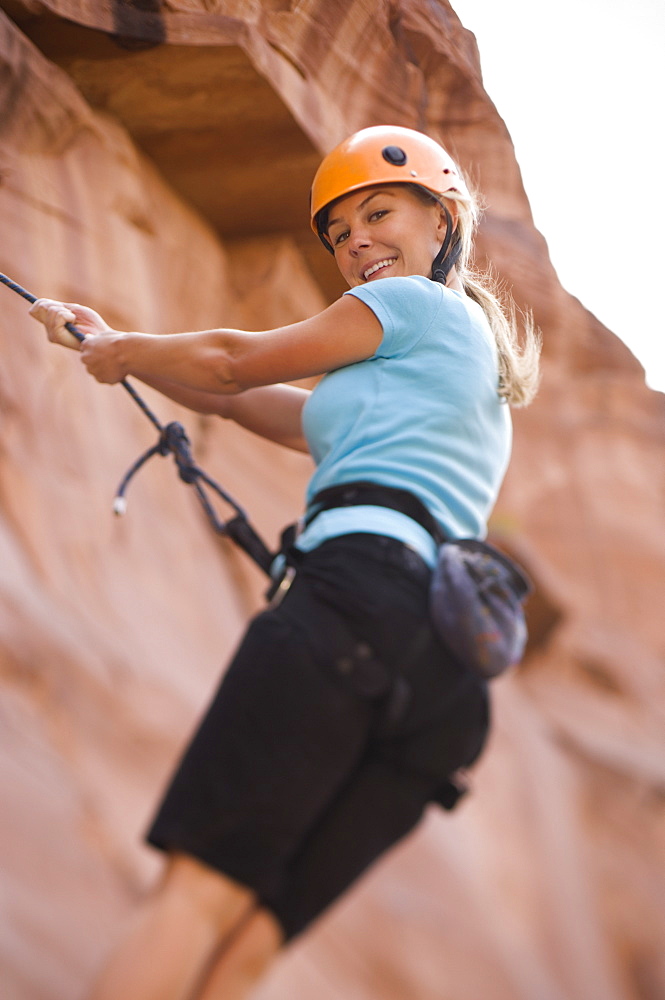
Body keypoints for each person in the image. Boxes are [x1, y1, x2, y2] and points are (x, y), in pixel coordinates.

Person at [30, 125, 540, 1000]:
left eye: (378, 213)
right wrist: (110, 344)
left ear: (443, 217)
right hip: (443, 687)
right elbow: (245, 402)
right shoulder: (441, 374)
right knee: (248, 942)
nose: (356, 244)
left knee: (196, 900)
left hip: (358, 605)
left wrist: (124, 353)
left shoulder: (414, 307)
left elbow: (233, 361)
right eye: (339, 234)